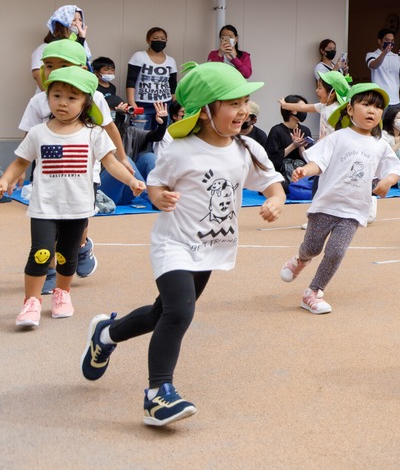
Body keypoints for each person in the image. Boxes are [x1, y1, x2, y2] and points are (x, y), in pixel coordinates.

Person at [79, 62, 285, 427]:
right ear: (205, 111)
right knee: (180, 313)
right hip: (173, 243)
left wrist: (275, 199)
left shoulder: (247, 148)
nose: (243, 111)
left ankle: (106, 334)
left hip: (210, 248)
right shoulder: (181, 149)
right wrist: (159, 198)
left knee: (163, 313)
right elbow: (157, 182)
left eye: (245, 102)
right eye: (232, 103)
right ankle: (158, 394)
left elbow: (271, 183)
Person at [0, 67, 145, 327]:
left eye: (71, 97)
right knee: (42, 253)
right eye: (56, 96)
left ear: (85, 102)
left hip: (77, 208)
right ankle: (31, 302)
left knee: (68, 255)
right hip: (44, 207)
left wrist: (132, 180)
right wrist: (5, 179)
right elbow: (20, 162)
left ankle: (62, 294)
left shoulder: (93, 133)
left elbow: (110, 163)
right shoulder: (38, 133)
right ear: (48, 99)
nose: (63, 103)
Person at [280, 83, 400, 314]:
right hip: (326, 204)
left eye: (377, 107)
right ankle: (301, 259)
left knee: (336, 252)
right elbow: (319, 162)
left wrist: (387, 181)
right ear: (350, 110)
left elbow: (393, 169)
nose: (371, 111)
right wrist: (305, 170)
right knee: (312, 248)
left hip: (354, 210)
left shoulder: (380, 145)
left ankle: (313, 292)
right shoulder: (338, 138)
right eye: (365, 104)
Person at [126, 27, 178, 131]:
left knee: (162, 140)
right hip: (142, 105)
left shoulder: (171, 61)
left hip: (164, 106)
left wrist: (175, 105)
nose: (159, 41)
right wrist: (132, 103)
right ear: (148, 40)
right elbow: (131, 81)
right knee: (140, 140)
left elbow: (173, 85)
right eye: (156, 38)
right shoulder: (139, 56)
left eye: (163, 39)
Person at [31, 5, 92, 91]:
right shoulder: (44, 48)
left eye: (80, 20)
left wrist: (81, 40)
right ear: (62, 23)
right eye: (74, 20)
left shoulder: (80, 47)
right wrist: (49, 95)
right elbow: (37, 74)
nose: (78, 24)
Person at [279, 72, 350, 142]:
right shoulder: (323, 106)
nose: (316, 91)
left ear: (332, 92)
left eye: (320, 88)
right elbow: (304, 107)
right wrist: (285, 105)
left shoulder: (336, 110)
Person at [266, 95, 313, 180]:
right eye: (302, 107)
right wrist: (293, 145)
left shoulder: (305, 130)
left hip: (302, 177)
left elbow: (310, 160)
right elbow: (272, 159)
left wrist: (300, 146)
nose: (305, 110)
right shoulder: (276, 130)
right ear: (293, 110)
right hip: (281, 177)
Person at [365, 29, 400, 111]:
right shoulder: (371, 55)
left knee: (395, 124)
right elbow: (374, 65)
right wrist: (385, 52)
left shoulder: (397, 57)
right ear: (379, 41)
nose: (390, 43)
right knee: (379, 124)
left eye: (392, 41)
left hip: (395, 101)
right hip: (379, 100)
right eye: (387, 40)